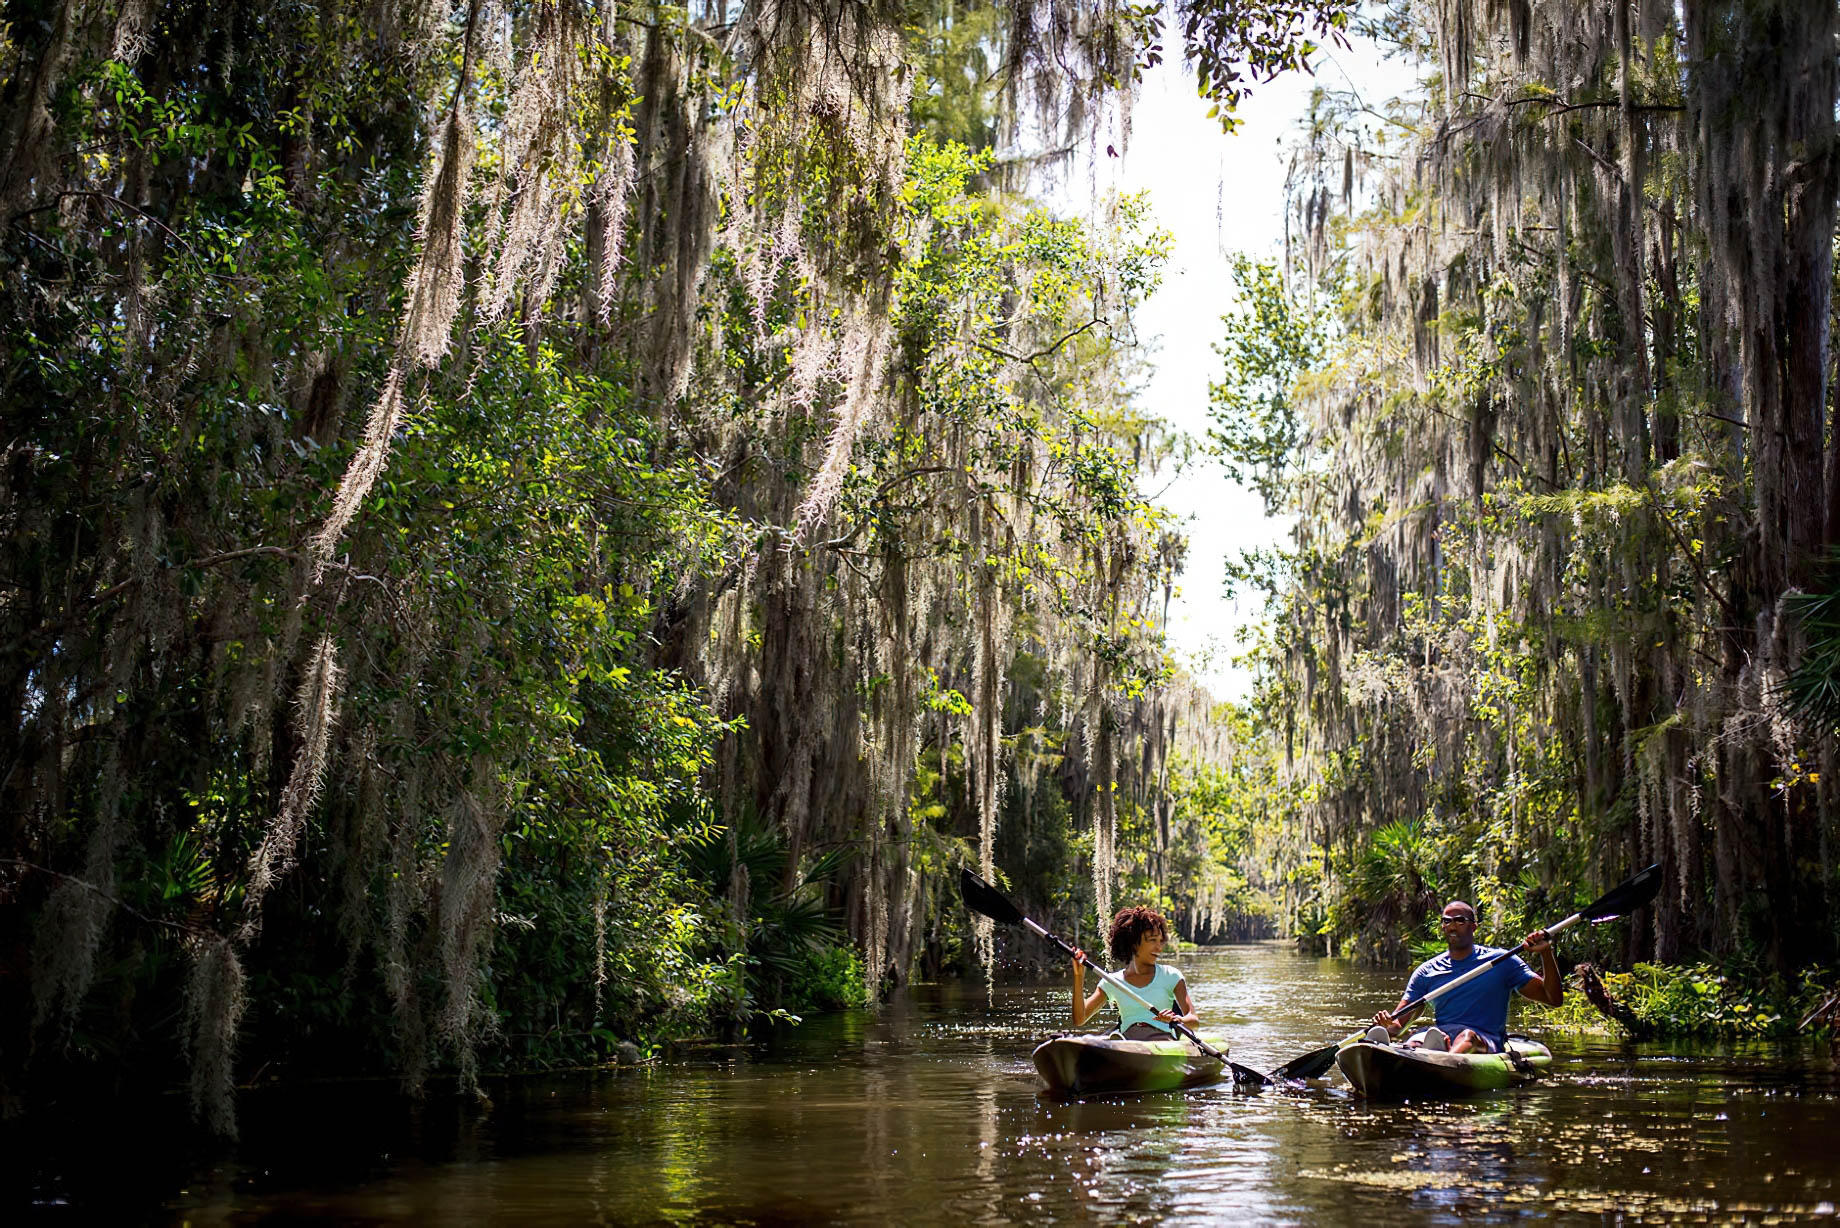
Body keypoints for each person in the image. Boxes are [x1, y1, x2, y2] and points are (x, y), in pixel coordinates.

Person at [1367, 899, 1562, 1053]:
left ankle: (1443, 1063)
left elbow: (1553, 998)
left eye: (1460, 920)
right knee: (1419, 1038)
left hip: (1484, 1039)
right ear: (1443, 927)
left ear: (1474, 927)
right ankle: (1404, 1053)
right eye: (1447, 921)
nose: (1453, 926)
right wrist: (1387, 1025)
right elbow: (1398, 1025)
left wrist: (1546, 952)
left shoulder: (1503, 961)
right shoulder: (1427, 971)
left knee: (1466, 1036)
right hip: (1440, 1036)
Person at [1070, 905, 1199, 1039]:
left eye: (1160, 941)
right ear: (1133, 943)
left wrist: (1178, 1019)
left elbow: (1194, 1020)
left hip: (1161, 1038)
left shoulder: (1171, 975)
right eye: (1152, 940)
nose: (1159, 948)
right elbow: (1080, 1019)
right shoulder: (1113, 981)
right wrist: (1079, 976)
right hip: (1127, 1039)